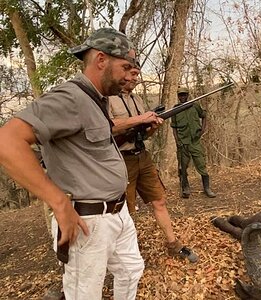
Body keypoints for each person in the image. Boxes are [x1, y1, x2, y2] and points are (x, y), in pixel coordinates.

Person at [0, 28, 149, 300]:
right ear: (101, 60)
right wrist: (58, 202)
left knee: (130, 269)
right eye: (125, 67)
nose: (130, 76)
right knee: (85, 294)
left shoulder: (97, 99)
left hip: (118, 212)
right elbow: (6, 141)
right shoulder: (70, 97)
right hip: (88, 219)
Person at [108, 65, 199, 264]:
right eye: (132, 74)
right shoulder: (108, 98)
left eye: (137, 75)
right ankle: (127, 256)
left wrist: (153, 126)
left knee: (159, 200)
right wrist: (142, 118)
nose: (135, 79)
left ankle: (173, 244)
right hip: (121, 160)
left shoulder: (137, 99)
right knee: (126, 211)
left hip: (143, 156)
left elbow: (143, 133)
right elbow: (108, 127)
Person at [171, 86, 216, 198]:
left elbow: (204, 116)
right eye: (180, 95)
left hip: (195, 141)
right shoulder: (175, 109)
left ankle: (207, 188)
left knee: (201, 164)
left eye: (184, 95)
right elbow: (174, 127)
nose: (182, 97)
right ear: (178, 96)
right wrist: (177, 141)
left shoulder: (195, 106)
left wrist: (202, 130)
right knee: (182, 167)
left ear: (187, 95)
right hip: (183, 143)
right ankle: (185, 188)